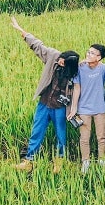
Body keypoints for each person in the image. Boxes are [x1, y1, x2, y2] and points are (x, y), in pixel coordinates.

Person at [10, 17, 79, 174]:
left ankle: (59, 162)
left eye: (62, 63)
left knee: (61, 134)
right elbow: (37, 44)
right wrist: (19, 29)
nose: (59, 62)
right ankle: (29, 161)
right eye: (60, 60)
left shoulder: (76, 73)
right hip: (44, 103)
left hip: (60, 108)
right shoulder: (53, 56)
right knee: (36, 132)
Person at [69, 43, 105, 173]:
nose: (88, 54)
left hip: (99, 108)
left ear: (99, 57)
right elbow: (76, 88)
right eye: (88, 51)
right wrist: (74, 108)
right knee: (84, 138)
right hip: (84, 108)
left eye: (92, 53)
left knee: (101, 137)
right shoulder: (80, 68)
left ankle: (101, 160)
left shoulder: (104, 69)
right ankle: (85, 162)